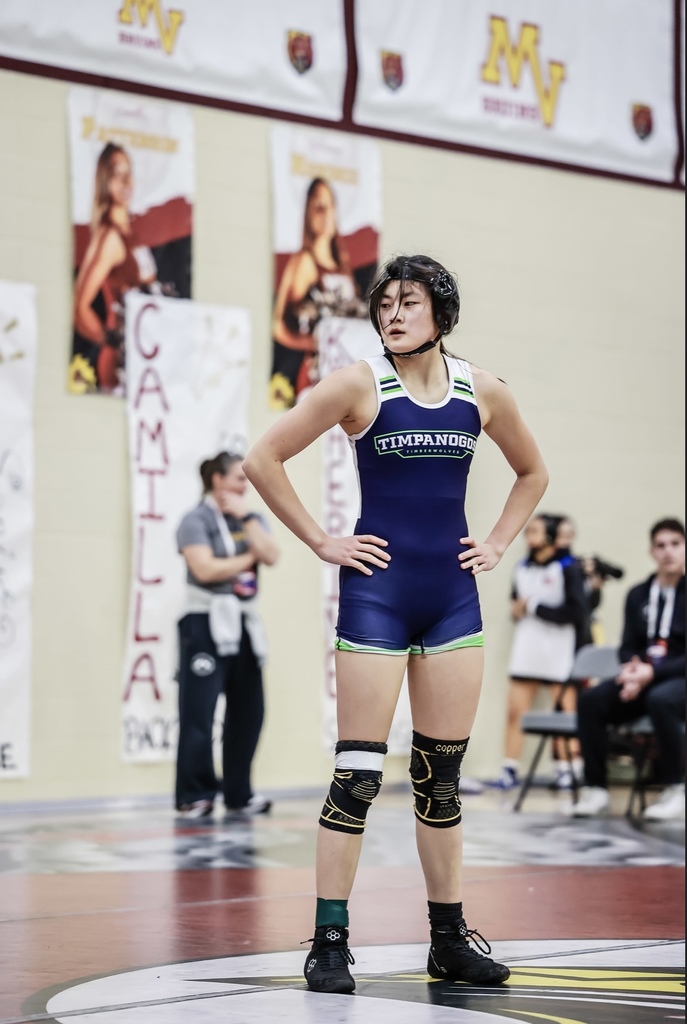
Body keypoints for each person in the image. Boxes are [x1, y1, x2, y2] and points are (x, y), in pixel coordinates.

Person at [244, 253, 549, 993]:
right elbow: (263, 458)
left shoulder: (482, 389)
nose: (392, 315)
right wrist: (322, 541)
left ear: (441, 312)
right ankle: (329, 942)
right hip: (376, 598)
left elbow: (532, 472)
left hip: (451, 600)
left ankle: (448, 940)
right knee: (356, 776)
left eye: (407, 303)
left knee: (439, 782)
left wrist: (497, 541)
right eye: (383, 305)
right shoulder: (358, 384)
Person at [174, 451, 280, 820]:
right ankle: (195, 794)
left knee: (250, 710)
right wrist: (248, 558)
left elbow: (272, 555)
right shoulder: (195, 520)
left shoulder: (250, 518)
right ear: (217, 480)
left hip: (244, 622)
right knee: (199, 711)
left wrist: (247, 518)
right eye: (238, 478)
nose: (244, 485)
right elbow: (204, 569)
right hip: (204, 622)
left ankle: (238, 793)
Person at [571, 518, 685, 820]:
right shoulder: (639, 594)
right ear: (652, 551)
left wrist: (651, 674)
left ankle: (675, 789)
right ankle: (595, 788)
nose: (668, 551)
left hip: (677, 678)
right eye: (661, 545)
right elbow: (627, 645)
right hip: (643, 677)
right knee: (591, 701)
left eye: (675, 544)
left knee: (661, 699)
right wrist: (633, 670)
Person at [489, 514, 588, 792]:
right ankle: (509, 769)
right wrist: (518, 609)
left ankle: (568, 770)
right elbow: (515, 605)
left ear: (550, 536)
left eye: (536, 530)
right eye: (528, 530)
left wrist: (533, 606)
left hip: (559, 652)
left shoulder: (568, 567)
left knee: (564, 715)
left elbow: (576, 612)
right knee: (515, 712)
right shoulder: (521, 567)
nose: (528, 535)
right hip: (526, 650)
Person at [269, 177, 367, 410]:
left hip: (346, 372)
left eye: (329, 205)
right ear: (308, 213)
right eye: (318, 207)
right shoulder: (305, 262)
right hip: (317, 373)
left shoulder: (342, 264)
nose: (325, 213)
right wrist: (316, 343)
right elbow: (280, 326)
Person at [70, 143, 158, 393]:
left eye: (129, 173)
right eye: (118, 175)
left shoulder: (131, 233)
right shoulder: (110, 237)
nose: (126, 181)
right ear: (105, 181)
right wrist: (112, 340)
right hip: (122, 362)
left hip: (146, 355)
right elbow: (80, 308)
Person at [555, 515, 624, 646]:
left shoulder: (578, 564)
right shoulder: (552, 567)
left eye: (569, 535)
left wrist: (595, 588)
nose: (566, 540)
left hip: (580, 632)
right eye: (562, 535)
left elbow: (589, 605)